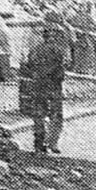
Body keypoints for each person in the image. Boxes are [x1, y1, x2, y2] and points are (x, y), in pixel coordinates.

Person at [27, 13, 68, 154]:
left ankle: (39, 143)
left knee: (39, 115)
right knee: (56, 115)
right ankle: (53, 143)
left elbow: (29, 65)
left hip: (38, 85)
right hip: (53, 86)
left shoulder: (35, 50)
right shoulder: (59, 51)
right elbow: (61, 69)